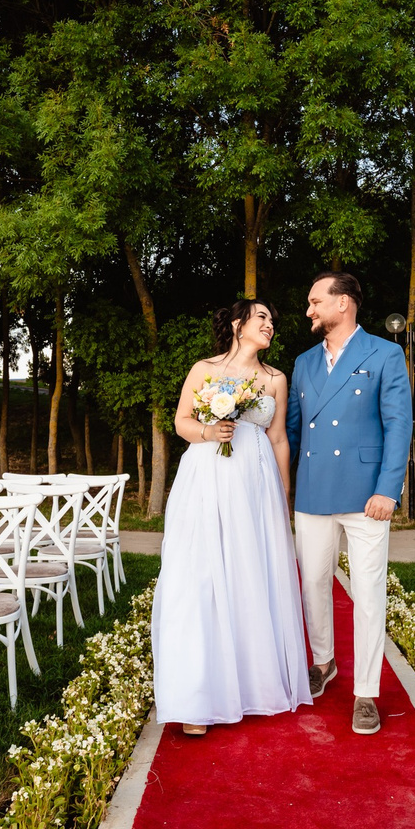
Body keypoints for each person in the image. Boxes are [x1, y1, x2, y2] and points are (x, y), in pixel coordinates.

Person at [152, 298, 311, 736]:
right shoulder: (204, 369)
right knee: (199, 574)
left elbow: (278, 439)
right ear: (239, 324)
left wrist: (282, 496)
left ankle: (250, 686)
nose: (270, 325)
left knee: (249, 573)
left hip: (255, 483)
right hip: (206, 475)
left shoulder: (276, 378)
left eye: (273, 320)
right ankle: (198, 697)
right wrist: (209, 431)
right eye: (262, 317)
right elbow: (182, 420)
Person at [287, 272, 414, 737]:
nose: (309, 311)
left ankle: (366, 692)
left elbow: (398, 425)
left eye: (315, 301)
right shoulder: (303, 362)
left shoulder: (385, 353)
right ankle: (324, 662)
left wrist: (388, 489)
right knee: (313, 584)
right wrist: (284, 487)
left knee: (368, 592)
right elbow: (294, 432)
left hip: (367, 495)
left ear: (343, 304)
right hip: (315, 489)